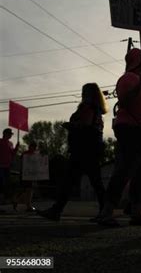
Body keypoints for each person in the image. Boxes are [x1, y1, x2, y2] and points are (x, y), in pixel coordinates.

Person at [97, 48, 141, 227]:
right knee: (124, 171)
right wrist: (139, 85)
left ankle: (138, 212)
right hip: (131, 130)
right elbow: (125, 100)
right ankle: (107, 211)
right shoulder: (127, 79)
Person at [37, 83, 108, 221]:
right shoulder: (99, 110)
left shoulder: (87, 107)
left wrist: (70, 125)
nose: (82, 94)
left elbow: (85, 124)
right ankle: (105, 211)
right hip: (93, 148)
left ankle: (56, 210)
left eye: (84, 92)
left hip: (82, 149)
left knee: (71, 181)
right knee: (93, 182)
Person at [12, 141, 39, 212]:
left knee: (29, 190)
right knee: (25, 189)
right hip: (25, 175)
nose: (33, 148)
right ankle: (17, 201)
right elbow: (22, 162)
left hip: (31, 175)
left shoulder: (34, 154)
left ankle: (27, 205)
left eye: (34, 147)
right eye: (33, 147)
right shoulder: (25, 154)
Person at [0, 128, 19, 205]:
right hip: (0, 166)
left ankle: (3, 200)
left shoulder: (10, 143)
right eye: (9, 134)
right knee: (1, 183)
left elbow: (13, 154)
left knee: (7, 184)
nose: (11, 135)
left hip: (7, 166)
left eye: (11, 134)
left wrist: (17, 147)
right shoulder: (0, 142)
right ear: (5, 134)